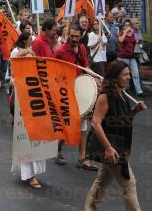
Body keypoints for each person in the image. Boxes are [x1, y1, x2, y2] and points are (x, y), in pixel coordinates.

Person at [84, 60, 146, 211]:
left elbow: (122, 121)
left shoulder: (121, 94)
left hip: (118, 146)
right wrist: (108, 148)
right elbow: (96, 123)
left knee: (101, 182)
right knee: (129, 184)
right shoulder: (105, 96)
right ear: (115, 77)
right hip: (113, 149)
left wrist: (135, 111)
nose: (129, 77)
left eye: (129, 74)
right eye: (125, 74)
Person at [54, 24, 96, 170]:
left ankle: (82, 158)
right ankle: (57, 148)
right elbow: (55, 73)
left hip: (80, 91)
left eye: (76, 36)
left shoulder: (83, 48)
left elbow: (86, 67)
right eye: (71, 35)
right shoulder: (60, 51)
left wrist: (96, 78)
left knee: (84, 126)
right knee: (68, 126)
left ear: (81, 36)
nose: (73, 38)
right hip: (66, 93)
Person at [7, 32, 43, 189]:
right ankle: (30, 175)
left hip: (37, 116)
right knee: (27, 142)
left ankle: (33, 172)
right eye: (25, 60)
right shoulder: (16, 79)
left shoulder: (39, 76)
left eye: (31, 60)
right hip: (23, 116)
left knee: (38, 143)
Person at [117, 20, 144, 97]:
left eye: (128, 25)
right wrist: (125, 32)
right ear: (123, 26)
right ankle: (123, 90)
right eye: (125, 25)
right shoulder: (122, 33)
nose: (127, 26)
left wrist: (138, 41)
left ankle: (139, 91)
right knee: (123, 74)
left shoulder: (133, 34)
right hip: (123, 57)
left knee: (135, 74)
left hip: (132, 57)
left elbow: (139, 40)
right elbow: (121, 40)